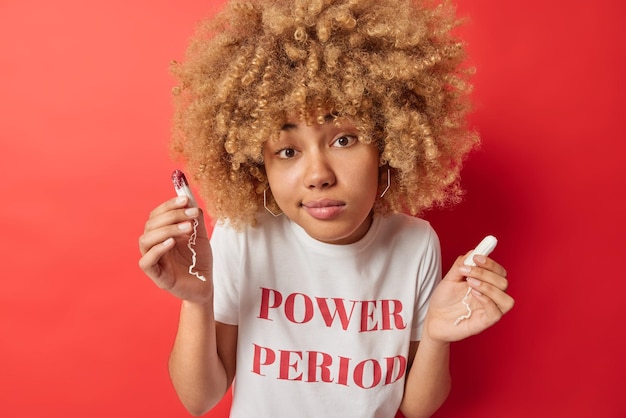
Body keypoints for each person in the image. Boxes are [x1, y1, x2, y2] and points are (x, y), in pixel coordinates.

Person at [138, 0, 515, 417]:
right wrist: (198, 300)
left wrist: (437, 335)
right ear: (258, 164)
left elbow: (417, 407)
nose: (318, 174)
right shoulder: (243, 236)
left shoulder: (415, 244)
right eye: (286, 150)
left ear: (387, 144)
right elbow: (199, 398)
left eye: (344, 140)